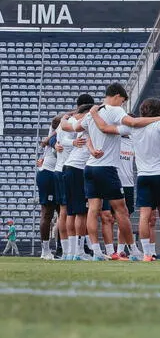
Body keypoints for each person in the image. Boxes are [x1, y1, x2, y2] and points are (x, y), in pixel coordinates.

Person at [91, 97, 160, 262]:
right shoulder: (159, 124)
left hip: (143, 176)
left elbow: (104, 128)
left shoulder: (132, 128)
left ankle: (146, 254)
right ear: (159, 111)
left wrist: (94, 113)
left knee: (144, 215)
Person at [72, 84, 160, 261]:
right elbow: (132, 122)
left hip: (90, 167)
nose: (123, 106)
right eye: (123, 101)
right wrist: (159, 119)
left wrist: (81, 119)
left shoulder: (93, 112)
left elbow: (78, 129)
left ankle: (96, 251)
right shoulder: (114, 109)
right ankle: (133, 250)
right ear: (118, 96)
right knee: (122, 211)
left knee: (93, 210)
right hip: (106, 168)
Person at [61, 102, 94, 260]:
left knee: (71, 212)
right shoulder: (89, 122)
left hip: (69, 167)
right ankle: (78, 252)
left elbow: (65, 124)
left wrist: (67, 117)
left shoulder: (76, 122)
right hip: (78, 169)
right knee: (81, 212)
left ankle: (71, 252)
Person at [36, 115, 61, 259]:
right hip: (48, 174)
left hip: (58, 174)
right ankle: (45, 250)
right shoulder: (53, 135)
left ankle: (61, 249)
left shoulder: (64, 135)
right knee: (48, 213)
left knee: (63, 213)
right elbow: (58, 119)